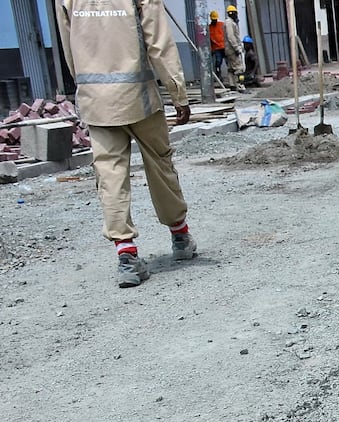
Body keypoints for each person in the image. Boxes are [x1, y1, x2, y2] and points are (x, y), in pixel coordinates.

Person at [57, 0, 197, 288]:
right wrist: (177, 93)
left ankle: (127, 256)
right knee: (160, 163)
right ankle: (180, 236)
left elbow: (69, 48)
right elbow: (159, 44)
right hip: (139, 98)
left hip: (96, 101)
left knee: (109, 175)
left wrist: (85, 87)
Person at [224, 5, 245, 90]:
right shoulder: (229, 23)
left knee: (231, 68)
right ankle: (240, 86)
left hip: (228, 49)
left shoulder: (229, 22)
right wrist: (237, 48)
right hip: (232, 49)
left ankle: (232, 85)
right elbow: (231, 36)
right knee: (239, 68)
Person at [208, 9, 226, 80]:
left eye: (215, 19)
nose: (215, 21)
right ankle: (219, 76)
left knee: (230, 62)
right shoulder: (209, 28)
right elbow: (209, 40)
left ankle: (233, 76)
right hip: (216, 48)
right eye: (213, 19)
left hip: (224, 47)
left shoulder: (221, 25)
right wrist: (211, 49)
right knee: (218, 62)